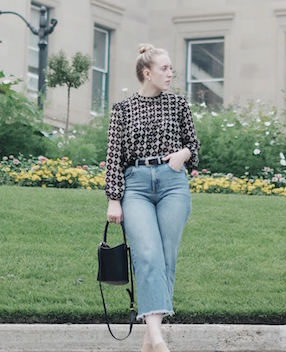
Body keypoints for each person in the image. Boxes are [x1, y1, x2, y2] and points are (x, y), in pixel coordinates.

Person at [105, 44, 200, 352]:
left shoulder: (178, 104)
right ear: (147, 73)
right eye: (165, 69)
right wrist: (113, 199)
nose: (170, 73)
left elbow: (194, 145)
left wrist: (182, 156)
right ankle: (156, 338)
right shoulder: (122, 110)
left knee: (166, 257)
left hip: (173, 183)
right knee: (147, 254)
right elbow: (114, 157)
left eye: (171, 68)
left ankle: (151, 338)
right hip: (136, 186)